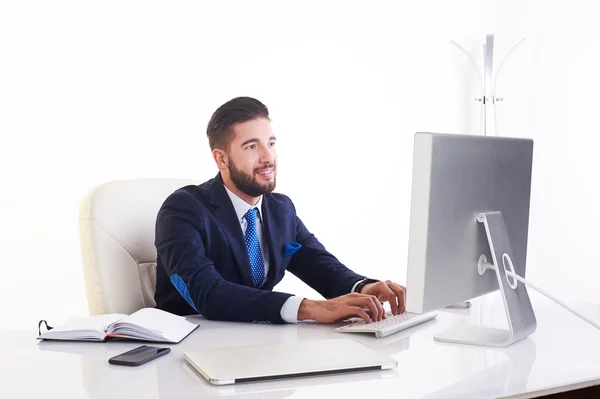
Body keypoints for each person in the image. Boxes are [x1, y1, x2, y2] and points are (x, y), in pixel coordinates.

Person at [154, 96, 406, 324]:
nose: (268, 158)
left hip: (259, 344)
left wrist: (362, 287)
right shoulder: (183, 210)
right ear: (221, 159)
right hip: (189, 345)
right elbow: (207, 293)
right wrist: (307, 308)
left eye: (271, 143)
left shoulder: (280, 209)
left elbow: (320, 266)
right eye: (252, 146)